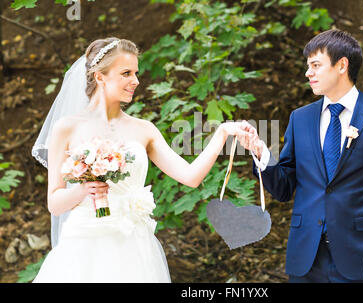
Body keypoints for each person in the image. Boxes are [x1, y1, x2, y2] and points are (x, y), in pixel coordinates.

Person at [31, 37, 248, 282]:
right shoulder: (67, 128)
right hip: (84, 243)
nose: (135, 81)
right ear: (100, 77)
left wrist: (222, 133)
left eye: (135, 73)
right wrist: (83, 190)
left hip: (133, 245)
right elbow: (55, 203)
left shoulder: (144, 129)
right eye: (126, 73)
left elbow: (191, 177)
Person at [238, 29, 363, 282]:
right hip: (306, 259)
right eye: (308, 66)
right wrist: (260, 152)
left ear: (342, 65)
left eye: (315, 65)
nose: (308, 73)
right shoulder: (300, 118)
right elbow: (284, 189)